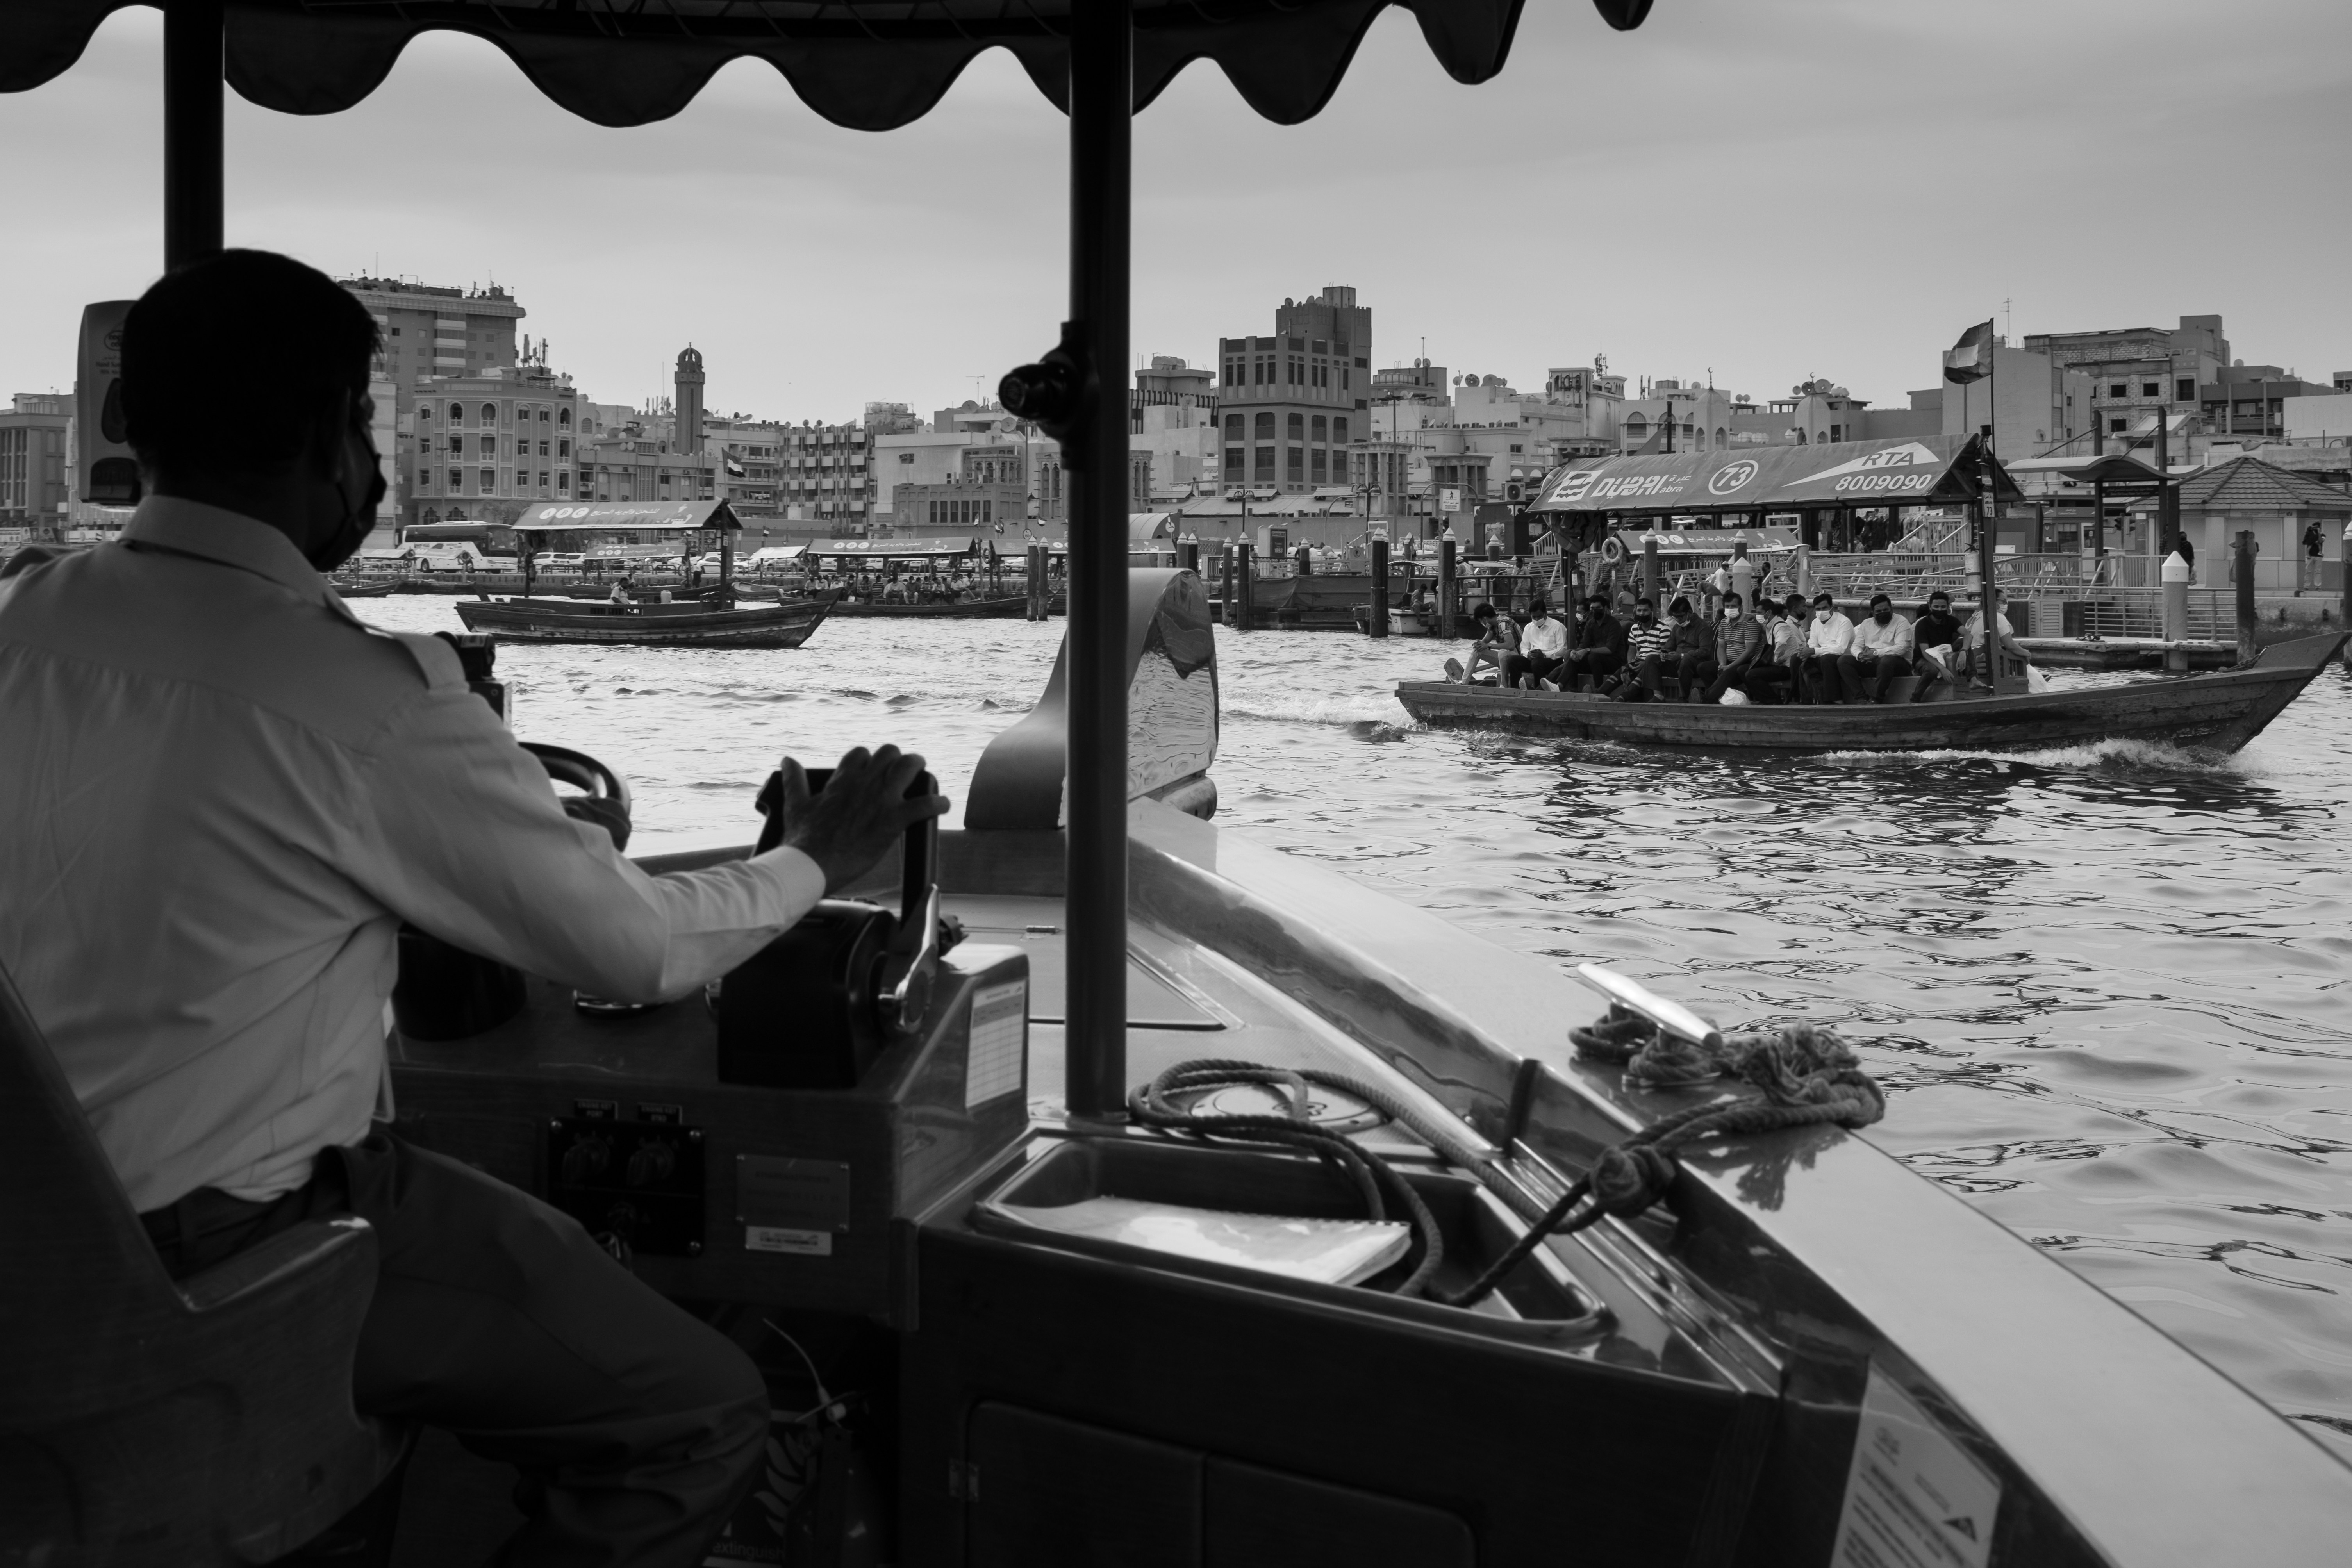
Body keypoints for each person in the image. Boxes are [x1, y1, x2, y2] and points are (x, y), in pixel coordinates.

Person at [0, 250, 949, 1568]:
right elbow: (638, 946)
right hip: (229, 1257)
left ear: (122, 427)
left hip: (28, 1247)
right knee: (695, 1410)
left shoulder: (21, 619)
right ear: (340, 433)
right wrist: (815, 860)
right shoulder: (368, 702)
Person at [1848, 592, 1915, 703]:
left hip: (1899, 665)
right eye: (1879, 611)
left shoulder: (1902, 622)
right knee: (1845, 661)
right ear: (1873, 613)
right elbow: (1856, 645)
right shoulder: (1866, 624)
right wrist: (1860, 655)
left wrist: (1876, 653)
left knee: (1887, 660)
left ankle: (1876, 699)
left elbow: (1902, 648)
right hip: (1873, 663)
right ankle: (1861, 698)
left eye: (1886, 610)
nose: (1883, 613)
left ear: (1891, 609)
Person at [1963, 588, 2033, 689]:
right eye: (2003, 601)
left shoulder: (1973, 617)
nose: (2005, 604)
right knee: (2022, 657)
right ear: (1992, 602)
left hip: (1971, 664)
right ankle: (2019, 687)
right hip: (1987, 665)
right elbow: (2010, 646)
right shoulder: (1997, 617)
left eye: (2006, 602)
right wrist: (2027, 653)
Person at [1702, 592, 1765, 703]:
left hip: (1747, 663)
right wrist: (1722, 664)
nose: (1730, 609)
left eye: (1734, 606)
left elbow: (1750, 652)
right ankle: (1720, 698)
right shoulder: (1723, 623)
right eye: (1727, 606)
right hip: (1729, 661)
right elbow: (1721, 646)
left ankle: (1708, 699)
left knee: (1728, 672)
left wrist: (1729, 666)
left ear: (1741, 607)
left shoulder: (1749, 623)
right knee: (1704, 668)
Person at [1743, 596, 1807, 705]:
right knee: (1742, 670)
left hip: (1786, 667)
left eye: (1760, 613)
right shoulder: (1769, 624)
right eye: (1757, 613)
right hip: (1779, 665)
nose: (1758, 615)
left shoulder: (1781, 626)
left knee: (1751, 675)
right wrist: (1754, 616)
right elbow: (1763, 624)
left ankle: (1775, 702)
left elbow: (1781, 643)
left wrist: (1776, 660)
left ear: (1768, 613)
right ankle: (1764, 699)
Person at [1608, 595, 1673, 700]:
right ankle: (1599, 694)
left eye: (1645, 610)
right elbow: (1632, 651)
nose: (1642, 613)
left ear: (1652, 611)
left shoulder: (1663, 627)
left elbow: (1665, 653)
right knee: (1623, 670)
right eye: (1639, 610)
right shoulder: (1635, 628)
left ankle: (1623, 698)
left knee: (1647, 665)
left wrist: (1646, 664)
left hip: (1656, 664)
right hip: (1640, 662)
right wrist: (1631, 663)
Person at [1560, 590, 1628, 688]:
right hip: (1597, 663)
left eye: (1598, 608)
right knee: (1574, 657)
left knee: (1593, 657)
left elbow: (1610, 649)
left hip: (1615, 662)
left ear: (1605, 608)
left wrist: (1587, 650)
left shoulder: (1614, 624)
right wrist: (1576, 652)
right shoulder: (1591, 623)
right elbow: (1584, 644)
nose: (1595, 611)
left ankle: (1598, 689)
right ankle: (1564, 688)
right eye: (1593, 608)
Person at [1801, 591, 1859, 703]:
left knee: (1827, 659)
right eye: (1818, 609)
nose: (1821, 612)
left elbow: (1840, 649)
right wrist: (1806, 652)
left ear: (1832, 608)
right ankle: (1802, 699)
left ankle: (1835, 700)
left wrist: (1813, 651)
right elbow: (1813, 644)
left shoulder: (1844, 622)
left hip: (1843, 659)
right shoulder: (1815, 623)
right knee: (1797, 659)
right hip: (1822, 657)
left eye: (1825, 608)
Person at [1501, 599, 1570, 690]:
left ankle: (1539, 691)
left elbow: (1563, 650)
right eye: (1534, 617)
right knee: (1512, 660)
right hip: (1534, 660)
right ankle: (1517, 689)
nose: (1537, 620)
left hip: (1553, 661)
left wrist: (1545, 655)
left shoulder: (1558, 626)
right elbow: (1524, 647)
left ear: (1545, 613)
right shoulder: (1529, 628)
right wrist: (1528, 654)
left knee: (1537, 662)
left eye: (1539, 617)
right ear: (1530, 615)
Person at [1910, 589, 1965, 699]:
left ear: (1947, 607)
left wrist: (1964, 652)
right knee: (1932, 671)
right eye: (1936, 607)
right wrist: (1942, 669)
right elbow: (1925, 652)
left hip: (1943, 654)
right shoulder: (1922, 624)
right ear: (1930, 606)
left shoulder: (1951, 620)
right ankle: (1915, 698)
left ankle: (1972, 679)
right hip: (1924, 659)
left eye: (1943, 607)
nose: (1940, 610)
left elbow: (1968, 635)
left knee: (1964, 643)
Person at [1446, 599, 1517, 684]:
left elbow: (1511, 645)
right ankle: (1464, 683)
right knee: (1478, 651)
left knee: (1502, 653)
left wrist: (1489, 646)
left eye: (1480, 621)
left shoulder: (1503, 623)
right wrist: (1478, 644)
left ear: (1484, 619)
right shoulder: (1492, 627)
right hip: (1505, 658)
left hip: (1517, 658)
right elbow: (1484, 643)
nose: (1481, 623)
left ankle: (1504, 685)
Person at [1660, 595, 1714, 699]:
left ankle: (1683, 697)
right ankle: (1655, 695)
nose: (1678, 620)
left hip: (1697, 665)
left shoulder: (1703, 627)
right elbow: (1669, 646)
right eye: (1675, 617)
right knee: (1651, 659)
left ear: (1689, 613)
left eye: (1680, 616)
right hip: (1677, 665)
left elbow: (1704, 652)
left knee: (1686, 660)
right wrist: (1665, 654)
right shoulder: (1677, 628)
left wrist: (1680, 656)